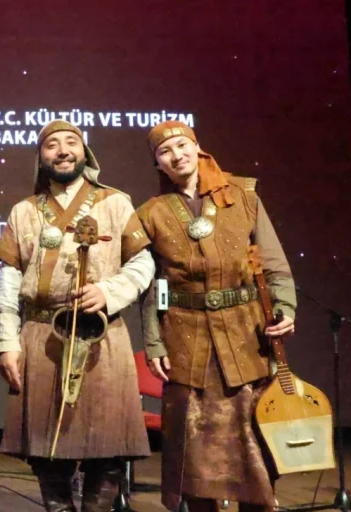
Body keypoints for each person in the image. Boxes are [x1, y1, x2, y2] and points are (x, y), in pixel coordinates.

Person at [0, 120, 154, 511]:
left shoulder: (115, 202)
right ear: (41, 157)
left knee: (107, 449)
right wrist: (7, 342)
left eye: (71, 142)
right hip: (40, 335)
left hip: (103, 335)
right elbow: (9, 282)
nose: (63, 150)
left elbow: (143, 262)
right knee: (47, 453)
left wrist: (109, 292)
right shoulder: (23, 211)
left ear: (85, 153)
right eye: (52, 145)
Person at [137, 121, 296, 512]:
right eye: (165, 152)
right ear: (158, 163)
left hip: (246, 338)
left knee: (254, 451)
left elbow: (273, 262)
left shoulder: (242, 195)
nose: (176, 156)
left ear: (197, 148)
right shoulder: (151, 213)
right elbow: (151, 284)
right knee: (195, 458)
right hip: (185, 341)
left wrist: (285, 307)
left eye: (182, 145)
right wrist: (154, 341)